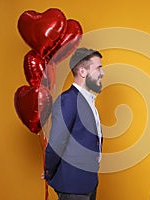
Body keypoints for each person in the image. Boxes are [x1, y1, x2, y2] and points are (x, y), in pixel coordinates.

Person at [43, 48, 105, 200]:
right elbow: (56, 143)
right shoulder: (68, 100)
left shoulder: (88, 101)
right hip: (73, 186)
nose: (102, 73)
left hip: (88, 183)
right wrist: (48, 172)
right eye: (98, 68)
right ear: (82, 72)